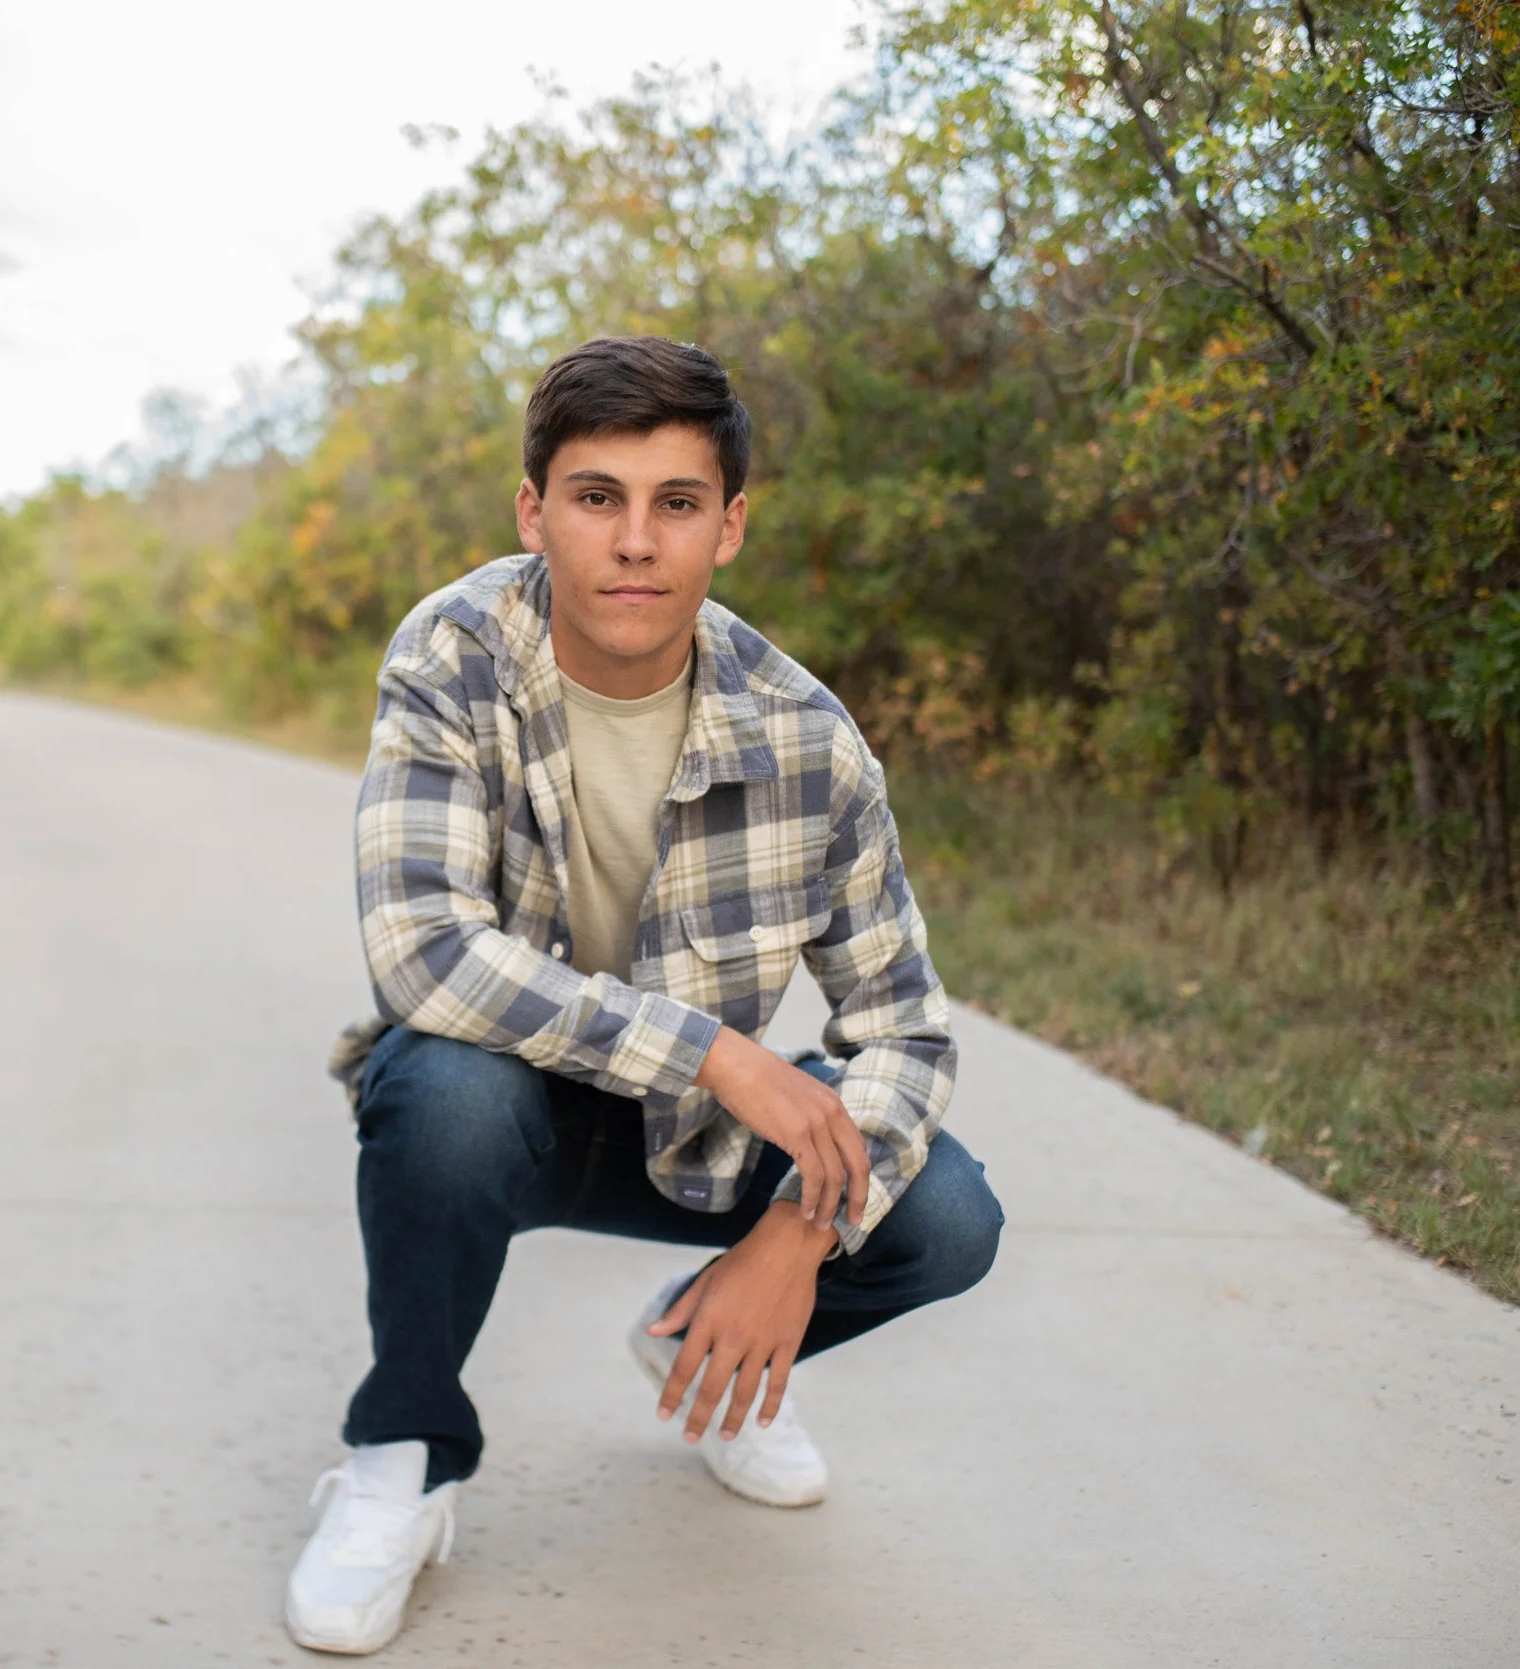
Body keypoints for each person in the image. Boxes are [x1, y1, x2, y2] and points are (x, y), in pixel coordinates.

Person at [284, 335, 1004, 1655]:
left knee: (947, 1214)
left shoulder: (806, 738)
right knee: (435, 1087)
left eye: (675, 503)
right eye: (596, 497)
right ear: (534, 512)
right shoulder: (455, 655)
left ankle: (703, 1351)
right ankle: (403, 1458)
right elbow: (423, 954)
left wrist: (793, 1237)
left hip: (693, 1145)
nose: (633, 541)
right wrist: (724, 1057)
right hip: (510, 1106)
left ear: (728, 528)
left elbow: (903, 1030)